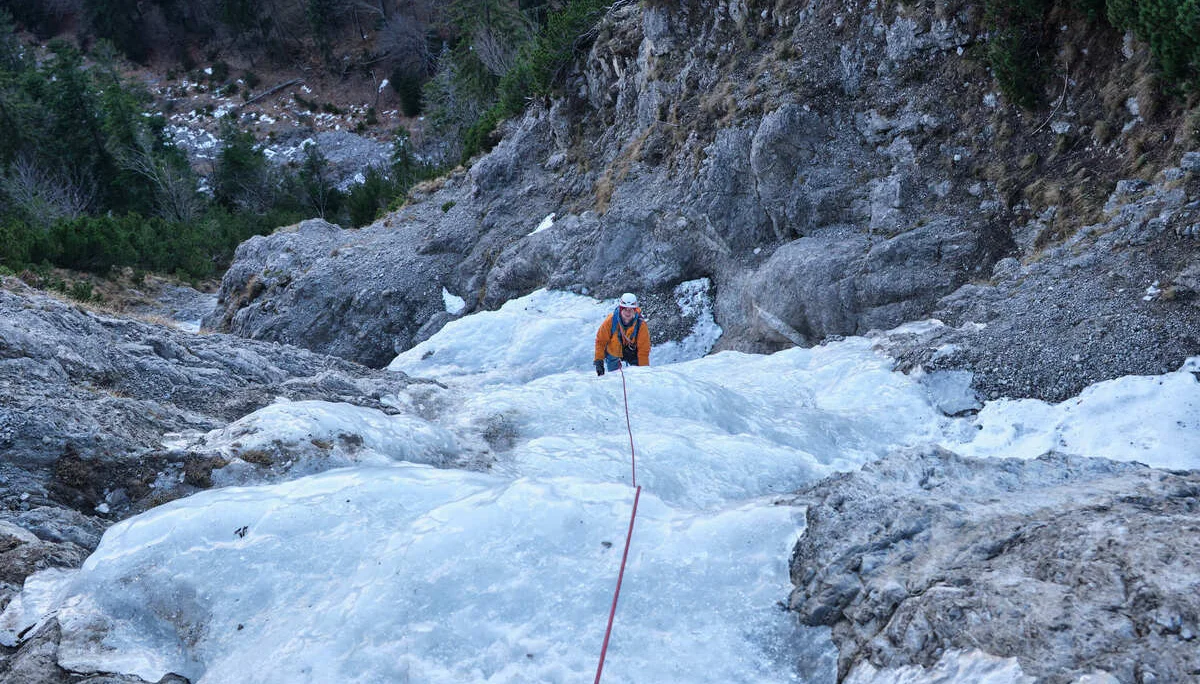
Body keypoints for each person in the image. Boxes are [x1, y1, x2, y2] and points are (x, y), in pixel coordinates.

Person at [594, 293, 650, 375]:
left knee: (636, 376)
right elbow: (601, 341)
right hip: (613, 353)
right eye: (625, 309)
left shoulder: (641, 325)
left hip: (632, 354)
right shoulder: (610, 321)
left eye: (630, 310)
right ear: (621, 309)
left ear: (635, 310)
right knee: (615, 378)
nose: (628, 312)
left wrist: (644, 371)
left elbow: (643, 350)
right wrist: (599, 361)